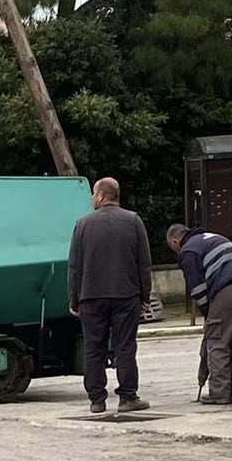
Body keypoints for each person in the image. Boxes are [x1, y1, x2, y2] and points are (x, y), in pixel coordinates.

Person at [66, 177, 153, 417]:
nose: (92, 198)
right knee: (125, 346)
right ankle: (127, 396)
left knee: (94, 347)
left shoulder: (82, 224)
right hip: (126, 295)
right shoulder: (133, 221)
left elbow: (74, 266)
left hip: (91, 296)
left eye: (94, 193)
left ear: (102, 195)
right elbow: (144, 263)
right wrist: (144, 296)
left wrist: (74, 298)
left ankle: (97, 399)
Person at [167, 223, 232, 404]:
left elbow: (197, 289)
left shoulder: (188, 250)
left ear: (175, 242)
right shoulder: (213, 237)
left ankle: (219, 393)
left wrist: (208, 314)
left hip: (228, 290)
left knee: (217, 342)